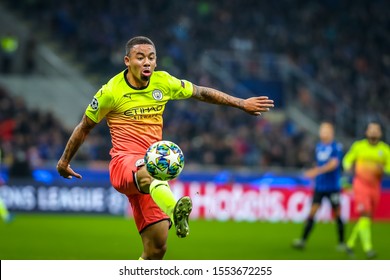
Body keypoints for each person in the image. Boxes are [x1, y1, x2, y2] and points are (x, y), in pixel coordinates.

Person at [56, 36, 274, 260]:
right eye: (140, 57)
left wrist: (241, 103)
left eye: (151, 57)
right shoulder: (110, 92)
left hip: (153, 177)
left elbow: (200, 92)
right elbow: (84, 127)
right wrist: (64, 161)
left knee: (156, 250)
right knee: (150, 170)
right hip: (124, 164)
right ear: (127, 61)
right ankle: (175, 210)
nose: (147, 62)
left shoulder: (164, 82)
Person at [292, 122, 345, 250]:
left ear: (331, 132)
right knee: (312, 212)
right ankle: (302, 240)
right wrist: (314, 173)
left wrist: (316, 171)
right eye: (321, 130)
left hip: (332, 187)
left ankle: (342, 243)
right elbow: (318, 164)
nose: (322, 133)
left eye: (325, 130)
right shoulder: (319, 147)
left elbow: (334, 165)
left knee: (337, 214)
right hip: (320, 186)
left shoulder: (336, 147)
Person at [343, 121, 390, 259]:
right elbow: (347, 159)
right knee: (365, 214)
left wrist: (384, 169)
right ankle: (368, 248)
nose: (374, 132)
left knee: (367, 218)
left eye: (377, 130)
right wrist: (347, 166)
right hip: (360, 185)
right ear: (366, 132)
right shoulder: (359, 146)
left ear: (380, 133)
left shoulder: (385, 150)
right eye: (371, 129)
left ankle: (350, 243)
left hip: (375, 186)